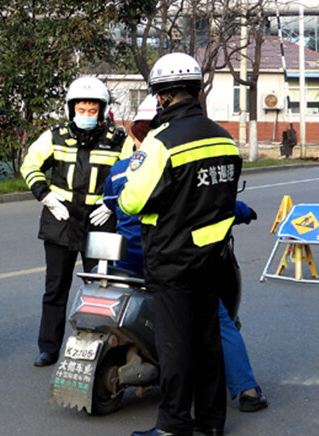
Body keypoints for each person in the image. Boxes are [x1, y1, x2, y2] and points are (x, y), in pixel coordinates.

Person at [97, 94, 268, 415]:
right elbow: (210, 206)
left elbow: (114, 205)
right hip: (172, 261)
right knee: (216, 318)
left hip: (126, 264)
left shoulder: (119, 170)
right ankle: (246, 391)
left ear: (135, 132)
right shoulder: (178, 159)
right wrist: (243, 210)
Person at [113, 53, 241, 436]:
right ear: (197, 90)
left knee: (175, 345)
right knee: (207, 341)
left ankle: (172, 425)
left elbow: (131, 200)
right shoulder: (224, 138)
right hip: (214, 255)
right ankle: (211, 424)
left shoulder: (160, 143)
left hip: (172, 258)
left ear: (162, 97)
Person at [20, 76, 125, 368]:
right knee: (55, 288)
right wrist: (46, 197)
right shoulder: (54, 136)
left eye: (93, 111)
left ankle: (101, 348)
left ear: (102, 111)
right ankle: (48, 348)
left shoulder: (118, 140)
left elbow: (133, 174)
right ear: (71, 109)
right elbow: (30, 165)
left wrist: (113, 202)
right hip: (60, 218)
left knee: (102, 288)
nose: (87, 116)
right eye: (81, 110)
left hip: (100, 220)